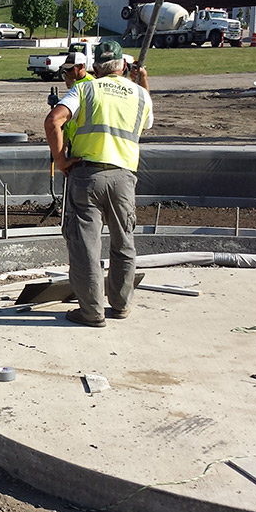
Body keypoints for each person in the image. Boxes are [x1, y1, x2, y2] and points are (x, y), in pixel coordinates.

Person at [43, 40, 152, 328]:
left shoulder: (85, 89)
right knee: (124, 243)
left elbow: (54, 120)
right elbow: (147, 123)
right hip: (124, 178)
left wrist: (61, 159)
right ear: (124, 66)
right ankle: (121, 305)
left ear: (94, 68)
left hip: (87, 175)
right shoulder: (140, 95)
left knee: (86, 247)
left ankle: (91, 312)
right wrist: (142, 83)